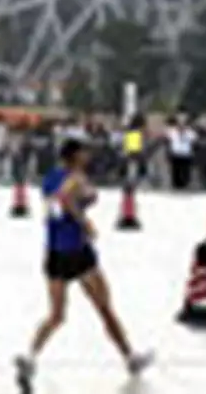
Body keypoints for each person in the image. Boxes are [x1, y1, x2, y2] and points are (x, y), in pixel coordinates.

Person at [15, 139, 153, 383]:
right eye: (84, 152)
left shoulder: (50, 178)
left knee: (56, 314)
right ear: (75, 156)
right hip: (77, 251)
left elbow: (55, 202)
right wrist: (84, 221)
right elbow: (65, 198)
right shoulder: (76, 177)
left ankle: (30, 357)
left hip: (54, 251)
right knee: (105, 308)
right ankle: (130, 358)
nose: (88, 156)